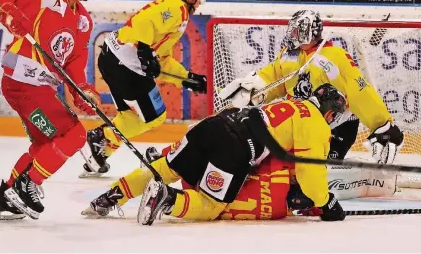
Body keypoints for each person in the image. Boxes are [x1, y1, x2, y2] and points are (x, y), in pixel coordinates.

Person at [82, 84, 347, 225]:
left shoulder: (291, 102)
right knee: (210, 207)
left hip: (212, 124)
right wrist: (325, 202)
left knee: (163, 167)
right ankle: (167, 198)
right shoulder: (316, 123)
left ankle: (109, 197)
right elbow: (310, 174)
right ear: (330, 112)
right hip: (234, 147)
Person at [219, 9, 404, 203]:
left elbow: (359, 89)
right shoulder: (288, 55)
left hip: (336, 125)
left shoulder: (334, 57)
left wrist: (382, 123)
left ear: (309, 32)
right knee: (272, 165)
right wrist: (255, 88)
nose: (291, 34)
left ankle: (338, 190)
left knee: (312, 177)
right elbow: (275, 77)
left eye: (297, 31)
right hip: (299, 124)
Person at [0, 0, 102, 220]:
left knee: (47, 143)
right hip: (22, 81)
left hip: (37, 89)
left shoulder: (83, 20)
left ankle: (6, 196)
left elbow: (73, 65)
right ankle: (28, 186)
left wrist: (81, 91)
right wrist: (4, 12)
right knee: (76, 136)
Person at [79, 0, 208, 178]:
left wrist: (187, 78)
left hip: (112, 59)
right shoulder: (177, 7)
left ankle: (98, 153)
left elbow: (163, 59)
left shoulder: (174, 12)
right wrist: (144, 50)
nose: (201, 2)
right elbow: (144, 21)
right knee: (155, 116)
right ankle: (101, 136)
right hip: (125, 65)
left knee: (129, 117)